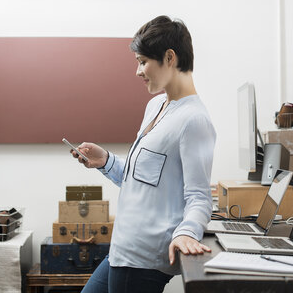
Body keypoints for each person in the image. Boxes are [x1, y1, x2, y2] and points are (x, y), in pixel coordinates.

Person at [71, 15, 216, 293]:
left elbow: (199, 196)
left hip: (144, 258)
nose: (138, 71)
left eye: (142, 62)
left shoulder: (194, 120)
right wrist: (106, 161)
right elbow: (144, 179)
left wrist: (187, 232)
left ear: (170, 57)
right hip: (123, 248)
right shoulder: (156, 105)